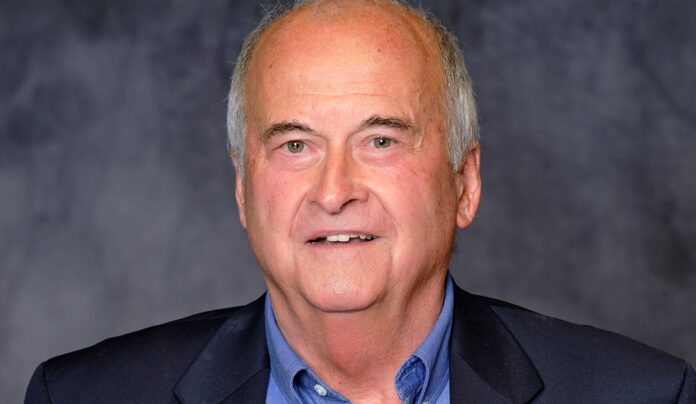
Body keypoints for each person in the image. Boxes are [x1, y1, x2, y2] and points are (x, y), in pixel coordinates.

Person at [25, 0, 695, 403]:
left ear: (464, 183)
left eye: (380, 140)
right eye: (295, 145)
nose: (334, 190)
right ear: (242, 190)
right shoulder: (83, 396)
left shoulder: (642, 395)